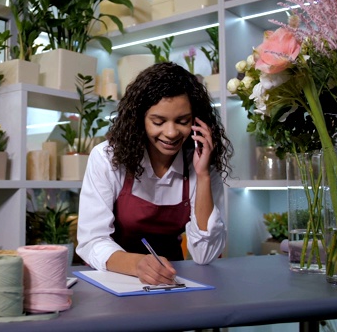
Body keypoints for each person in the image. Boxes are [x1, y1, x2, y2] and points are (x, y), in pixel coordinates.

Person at [75, 62, 233, 285]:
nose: (171, 133)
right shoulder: (107, 158)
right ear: (139, 120)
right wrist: (137, 264)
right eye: (158, 121)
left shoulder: (201, 162)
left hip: (171, 279)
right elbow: (92, 241)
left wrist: (203, 174)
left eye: (182, 121)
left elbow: (205, 255)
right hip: (113, 277)